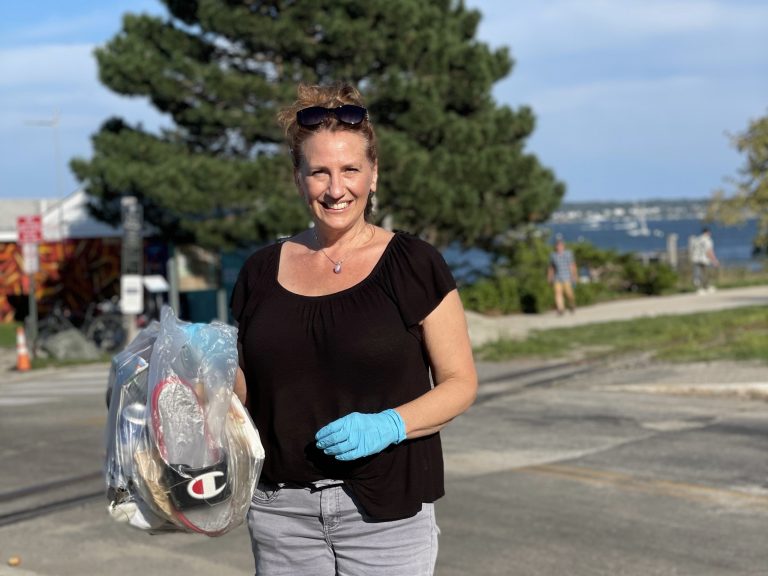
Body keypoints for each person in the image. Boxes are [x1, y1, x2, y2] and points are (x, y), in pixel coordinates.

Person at [229, 83, 477, 576]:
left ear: (374, 174)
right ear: (298, 179)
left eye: (350, 170)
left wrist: (389, 425)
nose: (335, 188)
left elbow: (460, 383)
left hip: (386, 513)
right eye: (319, 171)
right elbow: (246, 393)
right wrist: (192, 380)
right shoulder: (259, 271)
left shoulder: (414, 265)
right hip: (280, 513)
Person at [547, 238, 578, 315]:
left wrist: (574, 275)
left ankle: (572, 305)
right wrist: (550, 277)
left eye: (560, 245)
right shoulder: (553, 255)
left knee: (569, 294)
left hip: (567, 277)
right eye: (557, 246)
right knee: (558, 293)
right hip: (557, 278)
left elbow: (572, 265)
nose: (559, 247)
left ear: (563, 246)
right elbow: (551, 267)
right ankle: (561, 309)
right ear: (555, 247)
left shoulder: (568, 254)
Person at [690, 227, 719, 294]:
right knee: (705, 273)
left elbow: (693, 249)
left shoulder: (697, 239)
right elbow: (709, 251)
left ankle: (700, 288)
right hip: (704, 258)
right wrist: (714, 260)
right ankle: (705, 287)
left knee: (697, 274)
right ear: (707, 232)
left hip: (696, 258)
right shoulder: (707, 240)